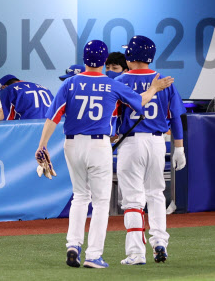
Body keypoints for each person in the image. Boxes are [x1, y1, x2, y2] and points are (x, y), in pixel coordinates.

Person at [35, 40, 173, 269]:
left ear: (84, 58)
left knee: (80, 197)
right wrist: (154, 89)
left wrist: (42, 146)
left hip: (72, 144)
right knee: (100, 203)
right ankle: (93, 255)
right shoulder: (111, 84)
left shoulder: (69, 84)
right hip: (99, 145)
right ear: (104, 61)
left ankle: (73, 245)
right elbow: (140, 102)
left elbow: (53, 117)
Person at [115, 35, 186, 265]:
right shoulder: (164, 80)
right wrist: (179, 148)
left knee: (133, 199)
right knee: (156, 194)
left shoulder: (120, 80)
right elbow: (176, 117)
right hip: (157, 142)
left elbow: (114, 116)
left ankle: (136, 253)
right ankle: (160, 243)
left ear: (130, 55)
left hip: (132, 143)